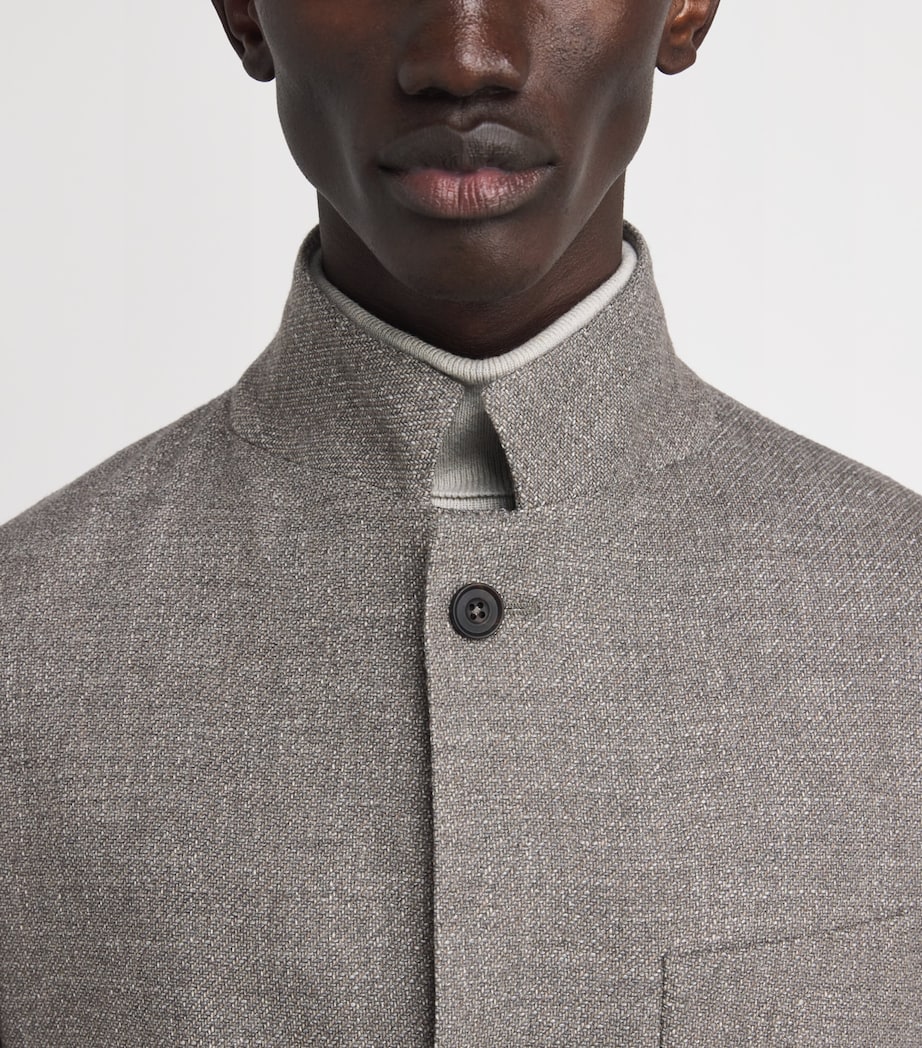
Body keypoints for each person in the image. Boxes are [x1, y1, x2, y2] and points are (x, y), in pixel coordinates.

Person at [0, 0, 918, 1044]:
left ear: (687, 7)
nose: (465, 57)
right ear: (244, 13)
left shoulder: (899, 622)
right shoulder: (25, 649)